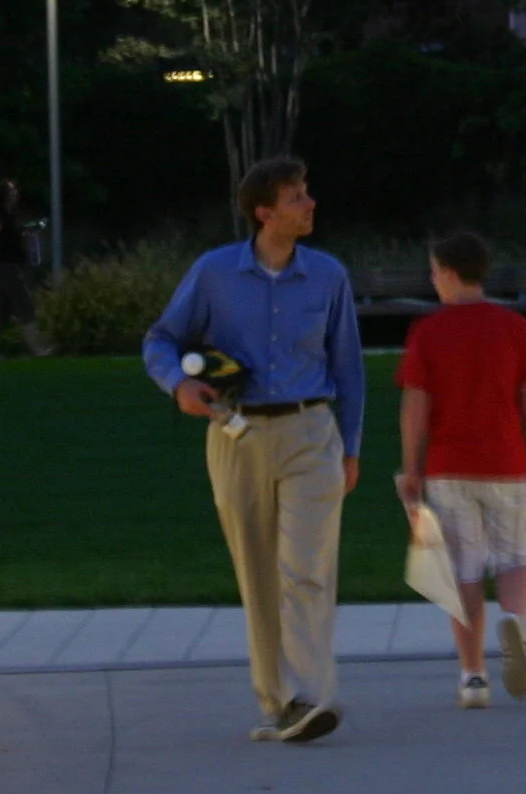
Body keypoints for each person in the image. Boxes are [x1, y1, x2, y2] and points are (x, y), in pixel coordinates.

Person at [142, 156, 362, 745]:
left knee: (306, 567)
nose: (309, 204)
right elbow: (161, 338)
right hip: (236, 434)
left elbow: (349, 366)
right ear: (265, 213)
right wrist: (179, 383)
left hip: (312, 432)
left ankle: (313, 692)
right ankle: (280, 702)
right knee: (258, 572)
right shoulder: (214, 273)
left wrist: (353, 445)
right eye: (296, 197)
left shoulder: (328, 276)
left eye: (307, 193)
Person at [396, 230, 526, 709]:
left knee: (463, 570)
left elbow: (415, 403)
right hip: (508, 464)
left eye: (433, 272)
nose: (433, 281)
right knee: (516, 557)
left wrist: (411, 465)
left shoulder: (428, 333)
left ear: (449, 273)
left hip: (449, 468)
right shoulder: (514, 329)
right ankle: (516, 624)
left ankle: (473, 675)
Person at [0, 179, 54, 359]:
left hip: (12, 265)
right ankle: (38, 348)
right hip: (5, 268)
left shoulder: (10, 216)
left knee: (1, 308)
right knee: (24, 304)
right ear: (3, 195)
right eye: (11, 191)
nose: (15, 193)